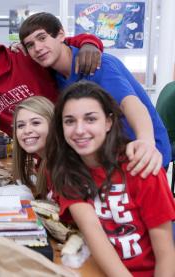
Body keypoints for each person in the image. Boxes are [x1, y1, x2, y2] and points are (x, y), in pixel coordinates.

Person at [44, 81, 175, 276]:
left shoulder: (140, 166)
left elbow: (166, 254)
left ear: (108, 122)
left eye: (90, 119)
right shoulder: (65, 170)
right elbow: (93, 232)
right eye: (70, 121)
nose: (79, 130)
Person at [19, 12, 171, 177]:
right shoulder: (54, 74)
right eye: (30, 45)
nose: (38, 48)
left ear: (61, 35)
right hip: (108, 158)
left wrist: (146, 141)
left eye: (42, 38)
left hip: (142, 154)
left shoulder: (97, 63)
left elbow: (130, 103)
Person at [0, 26, 104, 164]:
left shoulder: (22, 56)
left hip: (76, 143)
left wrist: (89, 43)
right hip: (42, 159)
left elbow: (60, 45)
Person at [12, 96, 54, 197]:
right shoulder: (42, 161)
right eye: (21, 125)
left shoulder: (62, 166)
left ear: (53, 124)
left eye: (35, 123)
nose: (27, 131)